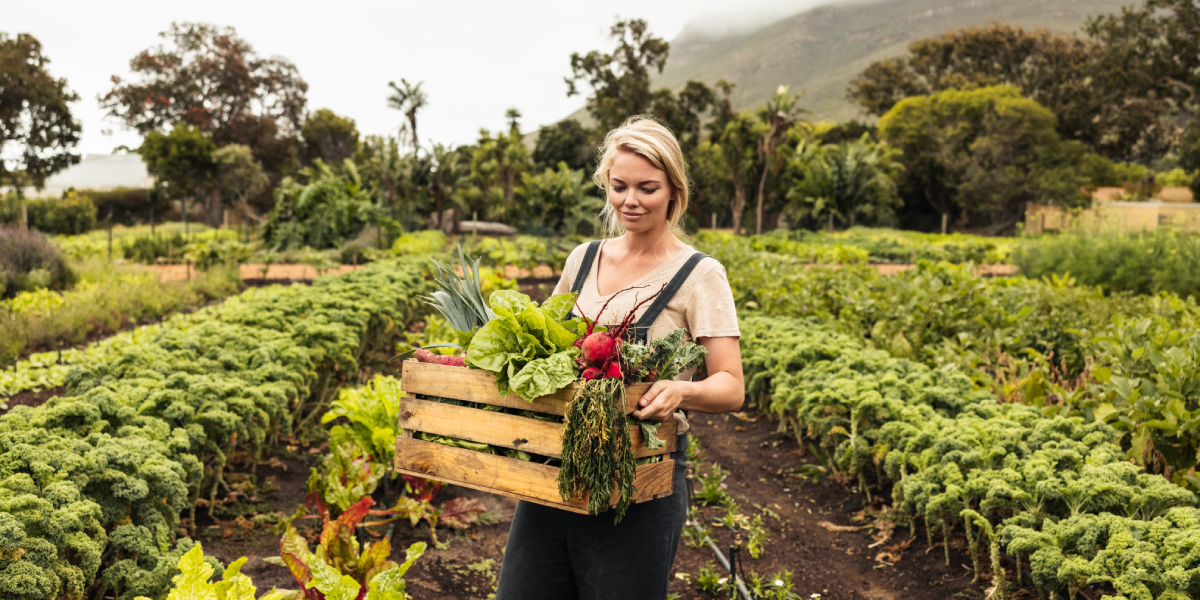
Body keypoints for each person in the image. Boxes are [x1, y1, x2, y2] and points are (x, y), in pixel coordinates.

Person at [495, 115, 745, 600]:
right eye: (619, 186)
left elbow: (731, 386)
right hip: (558, 464)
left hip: (639, 476)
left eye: (647, 188)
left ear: (674, 189)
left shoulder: (699, 275)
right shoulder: (583, 259)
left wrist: (682, 390)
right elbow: (552, 350)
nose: (630, 201)